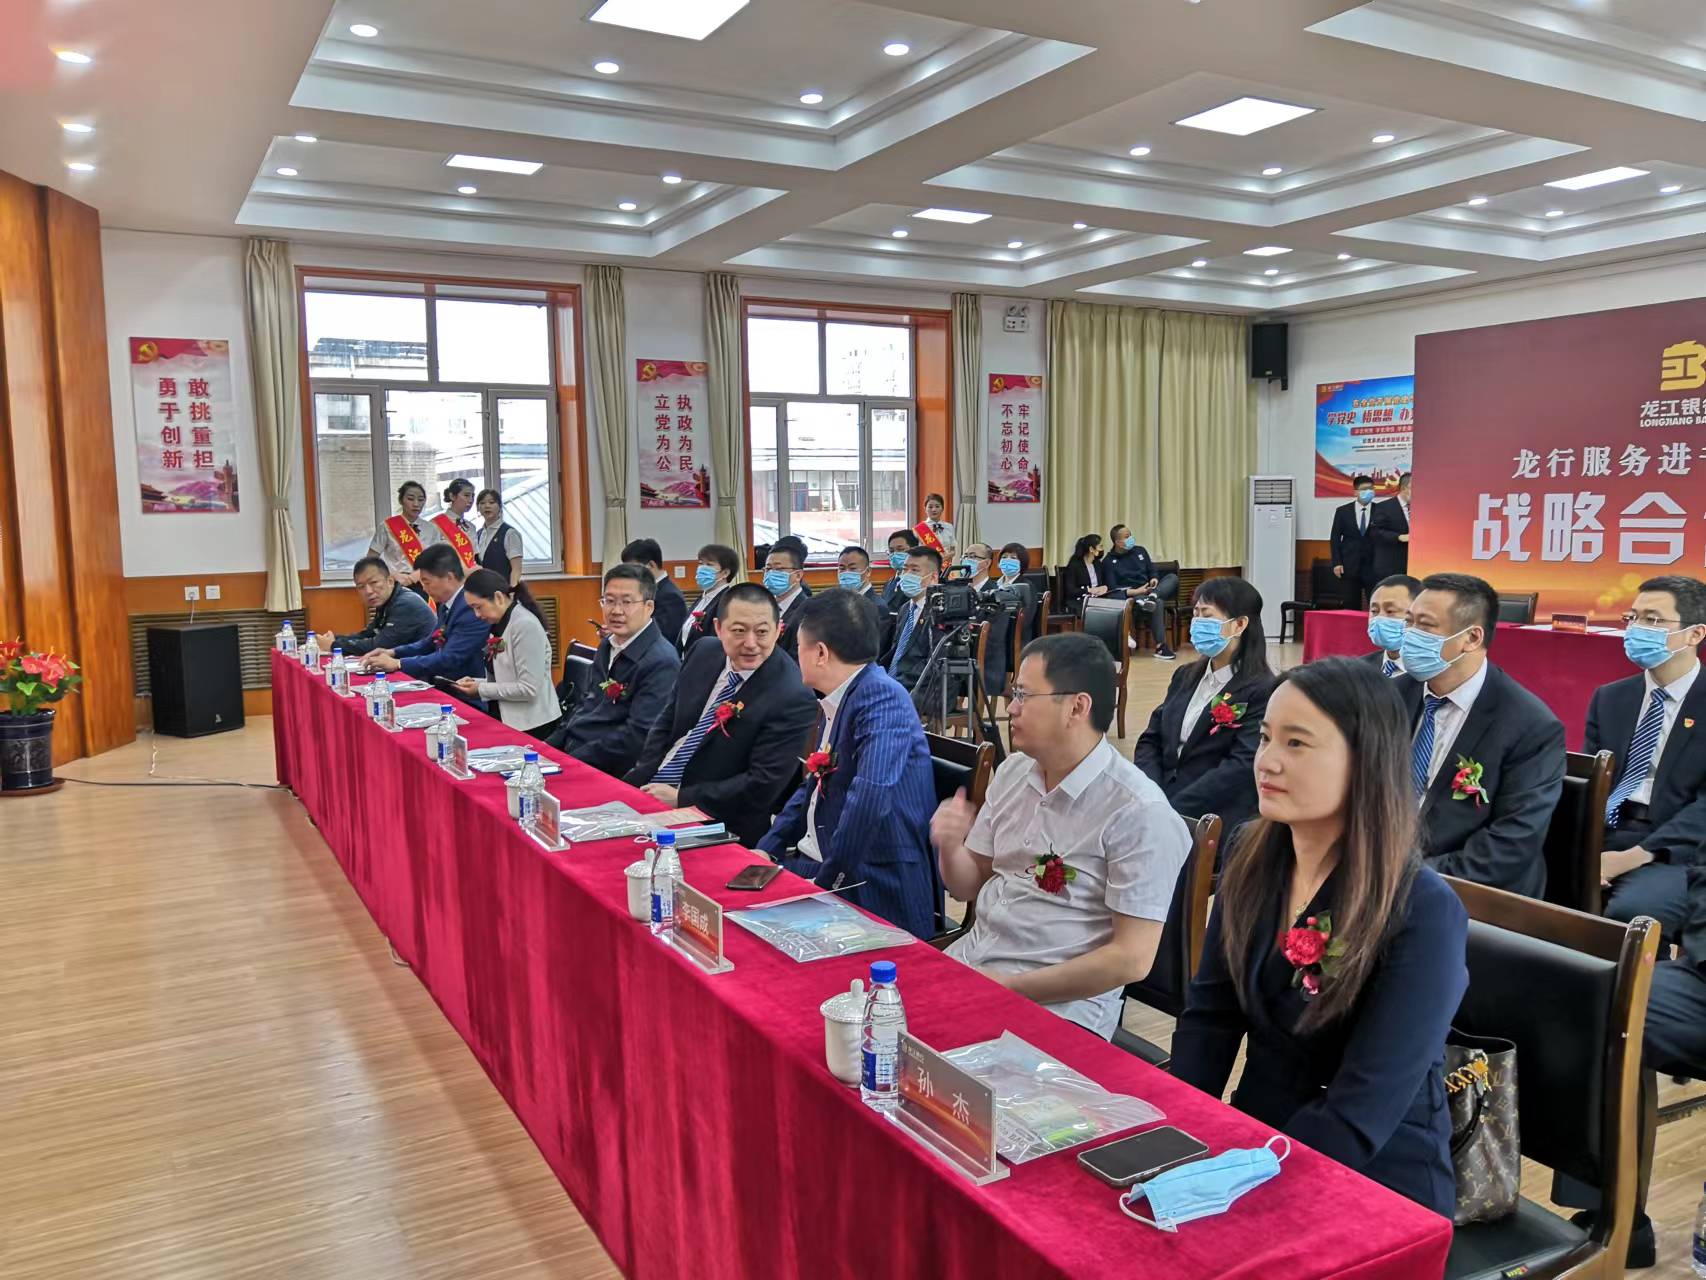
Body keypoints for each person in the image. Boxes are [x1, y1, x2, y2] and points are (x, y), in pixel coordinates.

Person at [1171, 658, 1469, 1219]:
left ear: (1365, 762)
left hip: (1373, 1177)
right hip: (1258, 1139)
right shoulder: (1252, 857)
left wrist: (1233, 1187)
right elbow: (1210, 1018)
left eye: (1297, 743)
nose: (1267, 760)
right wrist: (1174, 1134)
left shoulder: (1422, 911)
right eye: (1265, 738)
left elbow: (1361, 1113)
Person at [931, 633, 1192, 1037]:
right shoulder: (1014, 772)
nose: (1011, 708)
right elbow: (967, 885)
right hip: (974, 966)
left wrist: (1010, 988)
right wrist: (950, 846)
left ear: (1077, 707)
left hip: (1060, 1009)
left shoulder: (1138, 812)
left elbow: (1131, 959)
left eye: (1023, 695)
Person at [759, 589, 939, 939]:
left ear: (821, 653)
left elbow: (870, 796)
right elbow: (813, 785)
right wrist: (767, 848)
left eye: (798, 646)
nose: (795, 655)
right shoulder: (843, 696)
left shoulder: (881, 695)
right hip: (819, 860)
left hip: (870, 878)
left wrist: (828, 883)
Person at [1394, 572, 1564, 899]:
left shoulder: (1530, 725)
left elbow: (1511, 843)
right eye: (1409, 622)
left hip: (1468, 889)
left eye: (1425, 626)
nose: (1410, 636)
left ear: (1472, 638)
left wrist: (1410, 879)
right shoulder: (1390, 696)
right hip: (1380, 868)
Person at [625, 583, 818, 846]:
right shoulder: (703, 652)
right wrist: (644, 774)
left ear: (778, 630)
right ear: (718, 628)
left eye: (762, 632)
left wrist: (681, 798)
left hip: (717, 821)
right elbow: (668, 720)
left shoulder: (792, 695)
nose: (751, 643)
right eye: (739, 631)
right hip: (655, 789)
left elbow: (763, 784)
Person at [1583, 574, 1706, 936]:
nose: (1636, 629)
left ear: (1695, 634)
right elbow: (1589, 781)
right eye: (1633, 618)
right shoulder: (1610, 698)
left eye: (1653, 620)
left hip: (1674, 847)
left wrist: (1631, 858)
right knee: (1522, 880)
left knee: (1631, 914)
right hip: (1605, 830)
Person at [1133, 576, 1276, 838]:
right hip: (1158, 802)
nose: (1197, 623)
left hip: (1210, 816)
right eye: (1196, 614)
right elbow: (1151, 739)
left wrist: (1172, 809)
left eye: (1207, 615)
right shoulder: (1185, 676)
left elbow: (1240, 766)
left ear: (1240, 624)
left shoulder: (1262, 689)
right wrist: (1151, 793)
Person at [554, 564, 681, 777]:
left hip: (609, 769)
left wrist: (571, 762)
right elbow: (587, 703)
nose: (616, 611)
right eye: (610, 600)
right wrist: (547, 748)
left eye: (627, 602)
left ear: (649, 607)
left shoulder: (661, 662)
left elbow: (637, 737)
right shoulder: (608, 644)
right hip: (579, 751)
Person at [451, 568, 559, 739]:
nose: (477, 615)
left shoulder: (524, 625)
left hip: (533, 725)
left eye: (478, 607)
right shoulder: (499, 623)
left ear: (499, 597)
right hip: (507, 718)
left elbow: (528, 689)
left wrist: (481, 689)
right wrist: (476, 683)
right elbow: (507, 678)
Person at [363, 542, 490, 682]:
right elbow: (429, 643)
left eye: (427, 582)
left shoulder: (470, 607)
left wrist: (399, 664)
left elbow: (451, 657)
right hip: (444, 681)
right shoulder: (447, 605)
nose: (423, 588)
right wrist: (392, 652)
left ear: (449, 577)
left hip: (464, 687)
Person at [314, 555, 435, 657]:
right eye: (361, 587)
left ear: (390, 581)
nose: (368, 591)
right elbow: (368, 634)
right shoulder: (388, 600)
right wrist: (335, 639)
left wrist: (333, 646)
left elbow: (379, 646)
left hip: (424, 671)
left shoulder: (405, 604)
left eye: (374, 583)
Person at [1104, 523, 1178, 660]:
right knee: (1158, 602)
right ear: (1118, 542)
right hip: (1132, 597)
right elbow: (1113, 589)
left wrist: (1154, 579)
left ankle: (1153, 595)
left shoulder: (1140, 551)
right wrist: (1137, 591)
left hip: (1149, 590)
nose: (1131, 538)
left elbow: (1152, 570)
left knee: (1172, 578)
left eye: (1130, 535)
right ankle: (1161, 647)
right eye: (1127, 537)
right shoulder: (1109, 561)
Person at [882, 545, 941, 691]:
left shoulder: (941, 612)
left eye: (914, 570)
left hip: (924, 690)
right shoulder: (905, 609)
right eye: (905, 569)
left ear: (933, 577)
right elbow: (896, 652)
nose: (906, 575)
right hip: (897, 682)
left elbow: (934, 664)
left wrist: (894, 686)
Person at [368, 480, 444, 589]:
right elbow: (371, 559)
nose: (416, 504)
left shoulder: (431, 529)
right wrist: (391, 575)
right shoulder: (387, 526)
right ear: (401, 500)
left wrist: (417, 575)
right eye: (410, 499)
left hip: (425, 583)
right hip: (395, 582)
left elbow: (437, 559)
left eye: (421, 500)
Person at [622, 537, 687, 647]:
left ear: (651, 565)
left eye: (633, 568)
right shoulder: (647, 589)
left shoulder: (670, 596)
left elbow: (664, 636)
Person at [1329, 475, 1379, 611]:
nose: (1369, 491)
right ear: (1355, 492)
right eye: (1364, 489)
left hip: (1373, 566)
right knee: (1351, 605)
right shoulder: (1342, 511)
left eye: (1371, 488)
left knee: (1375, 605)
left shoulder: (1380, 510)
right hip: (1349, 565)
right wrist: (1337, 562)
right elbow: (1335, 538)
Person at [682, 543, 740, 653]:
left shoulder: (728, 601)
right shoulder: (702, 597)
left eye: (709, 564)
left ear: (725, 573)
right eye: (701, 563)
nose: (702, 568)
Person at [1362, 574, 1420, 677]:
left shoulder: (1434, 676)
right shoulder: (1361, 668)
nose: (1379, 618)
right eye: (1374, 611)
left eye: (1390, 611)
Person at [837, 545, 893, 648]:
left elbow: (875, 648)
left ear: (868, 572)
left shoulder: (877, 607)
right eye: (842, 568)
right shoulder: (838, 601)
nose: (846, 573)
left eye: (853, 568)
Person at [763, 543, 810, 660]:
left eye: (779, 569)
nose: (771, 574)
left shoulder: (808, 612)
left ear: (798, 575)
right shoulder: (763, 606)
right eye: (768, 569)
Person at [473, 489, 524, 587]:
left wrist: (512, 592)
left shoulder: (510, 533)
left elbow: (516, 569)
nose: (487, 506)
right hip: (482, 591)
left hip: (503, 590)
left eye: (491, 502)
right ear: (478, 508)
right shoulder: (478, 534)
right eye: (482, 503)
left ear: (500, 506)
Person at [1368, 471, 1412, 582]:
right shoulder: (1384, 507)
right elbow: (1375, 532)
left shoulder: (1421, 507)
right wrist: (1399, 537)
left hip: (1415, 565)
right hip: (1391, 565)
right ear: (1404, 488)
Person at [429, 478, 479, 570]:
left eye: (472, 496)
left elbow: (474, 557)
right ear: (452, 496)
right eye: (466, 495)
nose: (471, 500)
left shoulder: (471, 527)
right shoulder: (435, 525)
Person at [1057, 533, 1108, 613]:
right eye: (1100, 546)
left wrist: (1104, 588)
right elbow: (1070, 590)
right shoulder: (1074, 565)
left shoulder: (1098, 564)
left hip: (1097, 599)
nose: (1102, 549)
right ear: (1091, 549)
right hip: (1079, 600)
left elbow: (1102, 583)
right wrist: (1089, 590)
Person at [881, 529, 921, 610]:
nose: (895, 554)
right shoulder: (888, 583)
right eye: (891, 551)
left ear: (914, 550)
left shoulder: (916, 582)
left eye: (900, 549)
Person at [920, 492, 956, 561]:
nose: (934, 510)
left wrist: (947, 556)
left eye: (937, 506)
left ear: (942, 508)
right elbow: (918, 552)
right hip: (927, 564)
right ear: (925, 508)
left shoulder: (949, 527)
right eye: (930, 507)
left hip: (946, 564)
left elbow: (953, 550)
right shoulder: (920, 528)